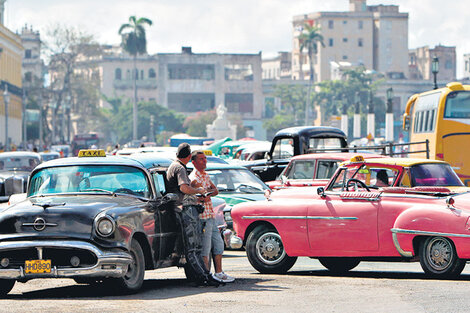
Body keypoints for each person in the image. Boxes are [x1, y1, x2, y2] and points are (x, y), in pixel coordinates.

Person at [166, 143, 217, 286]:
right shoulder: (180, 168)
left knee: (194, 246)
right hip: (183, 209)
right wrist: (199, 190)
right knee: (193, 247)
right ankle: (203, 276)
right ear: (189, 157)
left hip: (182, 207)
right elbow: (183, 188)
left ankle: (205, 274)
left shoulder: (174, 166)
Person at [189, 150, 235, 283]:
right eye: (201, 159)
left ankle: (219, 272)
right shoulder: (194, 178)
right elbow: (194, 194)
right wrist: (202, 196)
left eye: (205, 159)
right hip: (203, 216)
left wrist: (208, 193)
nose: (205, 161)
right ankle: (206, 275)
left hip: (211, 214)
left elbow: (215, 190)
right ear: (194, 162)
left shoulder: (205, 175)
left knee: (218, 243)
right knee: (206, 246)